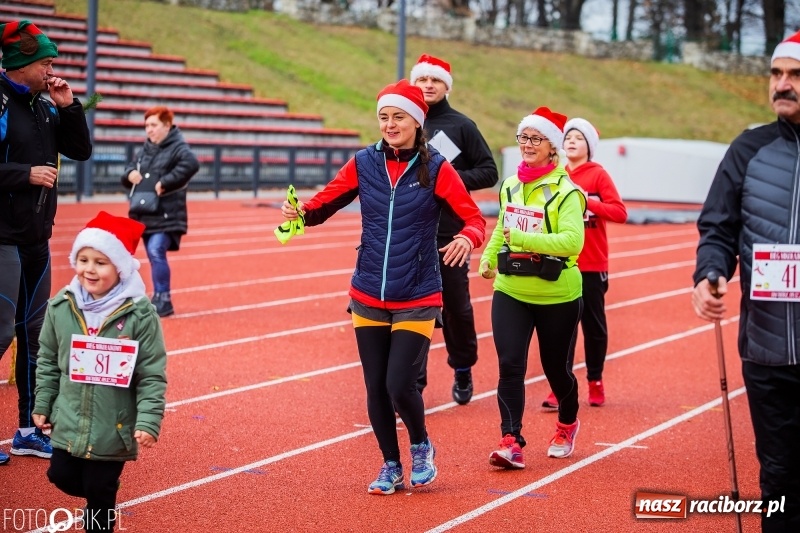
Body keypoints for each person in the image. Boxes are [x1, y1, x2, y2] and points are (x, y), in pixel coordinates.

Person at [280, 79, 485, 494]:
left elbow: (474, 219)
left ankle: (421, 444)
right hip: (368, 292)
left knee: (398, 384)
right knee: (375, 387)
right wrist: (298, 211)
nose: (390, 124)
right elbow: (323, 204)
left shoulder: (437, 167)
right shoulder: (363, 162)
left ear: (417, 121)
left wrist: (467, 238)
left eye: (399, 117)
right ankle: (390, 464)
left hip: (418, 294)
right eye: (384, 117)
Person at [692, 29, 800, 532]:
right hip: (766, 351)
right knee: (777, 481)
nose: (783, 84)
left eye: (795, 75)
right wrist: (710, 273)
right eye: (777, 74)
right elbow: (718, 228)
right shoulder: (748, 149)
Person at [33, 211, 167, 531]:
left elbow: (151, 371)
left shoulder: (139, 314)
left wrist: (149, 420)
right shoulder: (60, 307)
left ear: (119, 268)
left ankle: (102, 503)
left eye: (100, 262)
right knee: (59, 475)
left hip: (114, 423)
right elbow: (48, 360)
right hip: (70, 416)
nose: (88, 269)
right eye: (83, 259)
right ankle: (104, 491)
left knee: (98, 491)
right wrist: (42, 403)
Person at [0, 20, 93, 464]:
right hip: (1, 240)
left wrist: (69, 107)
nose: (52, 68)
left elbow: (81, 151)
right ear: (22, 65)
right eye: (46, 62)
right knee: (0, 336)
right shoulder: (0, 103)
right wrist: (25, 174)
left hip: (37, 239)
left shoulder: (44, 105)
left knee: (34, 339)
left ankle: (28, 432)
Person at [479, 107, 585, 469]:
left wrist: (525, 238)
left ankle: (567, 424)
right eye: (523, 137)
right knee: (510, 365)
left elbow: (573, 242)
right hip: (511, 289)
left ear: (553, 148)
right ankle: (511, 440)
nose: (526, 144)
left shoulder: (567, 192)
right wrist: (489, 257)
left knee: (556, 369)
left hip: (557, 293)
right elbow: (501, 228)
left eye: (535, 139)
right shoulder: (510, 184)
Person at [410, 54, 498, 404]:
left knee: (457, 308)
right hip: (411, 232)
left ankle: (463, 368)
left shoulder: (462, 126)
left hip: (450, 235)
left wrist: (449, 180)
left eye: (435, 80)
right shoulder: (407, 122)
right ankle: (414, 382)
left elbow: (489, 171)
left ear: (447, 85)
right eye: (423, 80)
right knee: (412, 309)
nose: (428, 86)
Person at [541, 118, 627, 409]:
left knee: (593, 326)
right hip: (563, 262)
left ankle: (595, 380)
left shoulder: (598, 175)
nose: (571, 141)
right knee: (561, 328)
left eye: (578, 137)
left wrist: (585, 202)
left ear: (589, 145)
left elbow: (619, 211)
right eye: (567, 137)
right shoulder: (556, 175)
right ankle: (560, 385)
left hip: (592, 263)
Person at [121, 106, 199, 318]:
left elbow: (191, 164)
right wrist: (130, 175)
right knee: (152, 255)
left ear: (167, 126)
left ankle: (163, 298)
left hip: (167, 212)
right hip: (144, 212)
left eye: (153, 125)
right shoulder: (145, 149)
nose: (149, 130)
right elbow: (127, 169)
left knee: (156, 251)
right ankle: (156, 297)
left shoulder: (178, 147)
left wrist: (166, 182)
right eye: (146, 125)